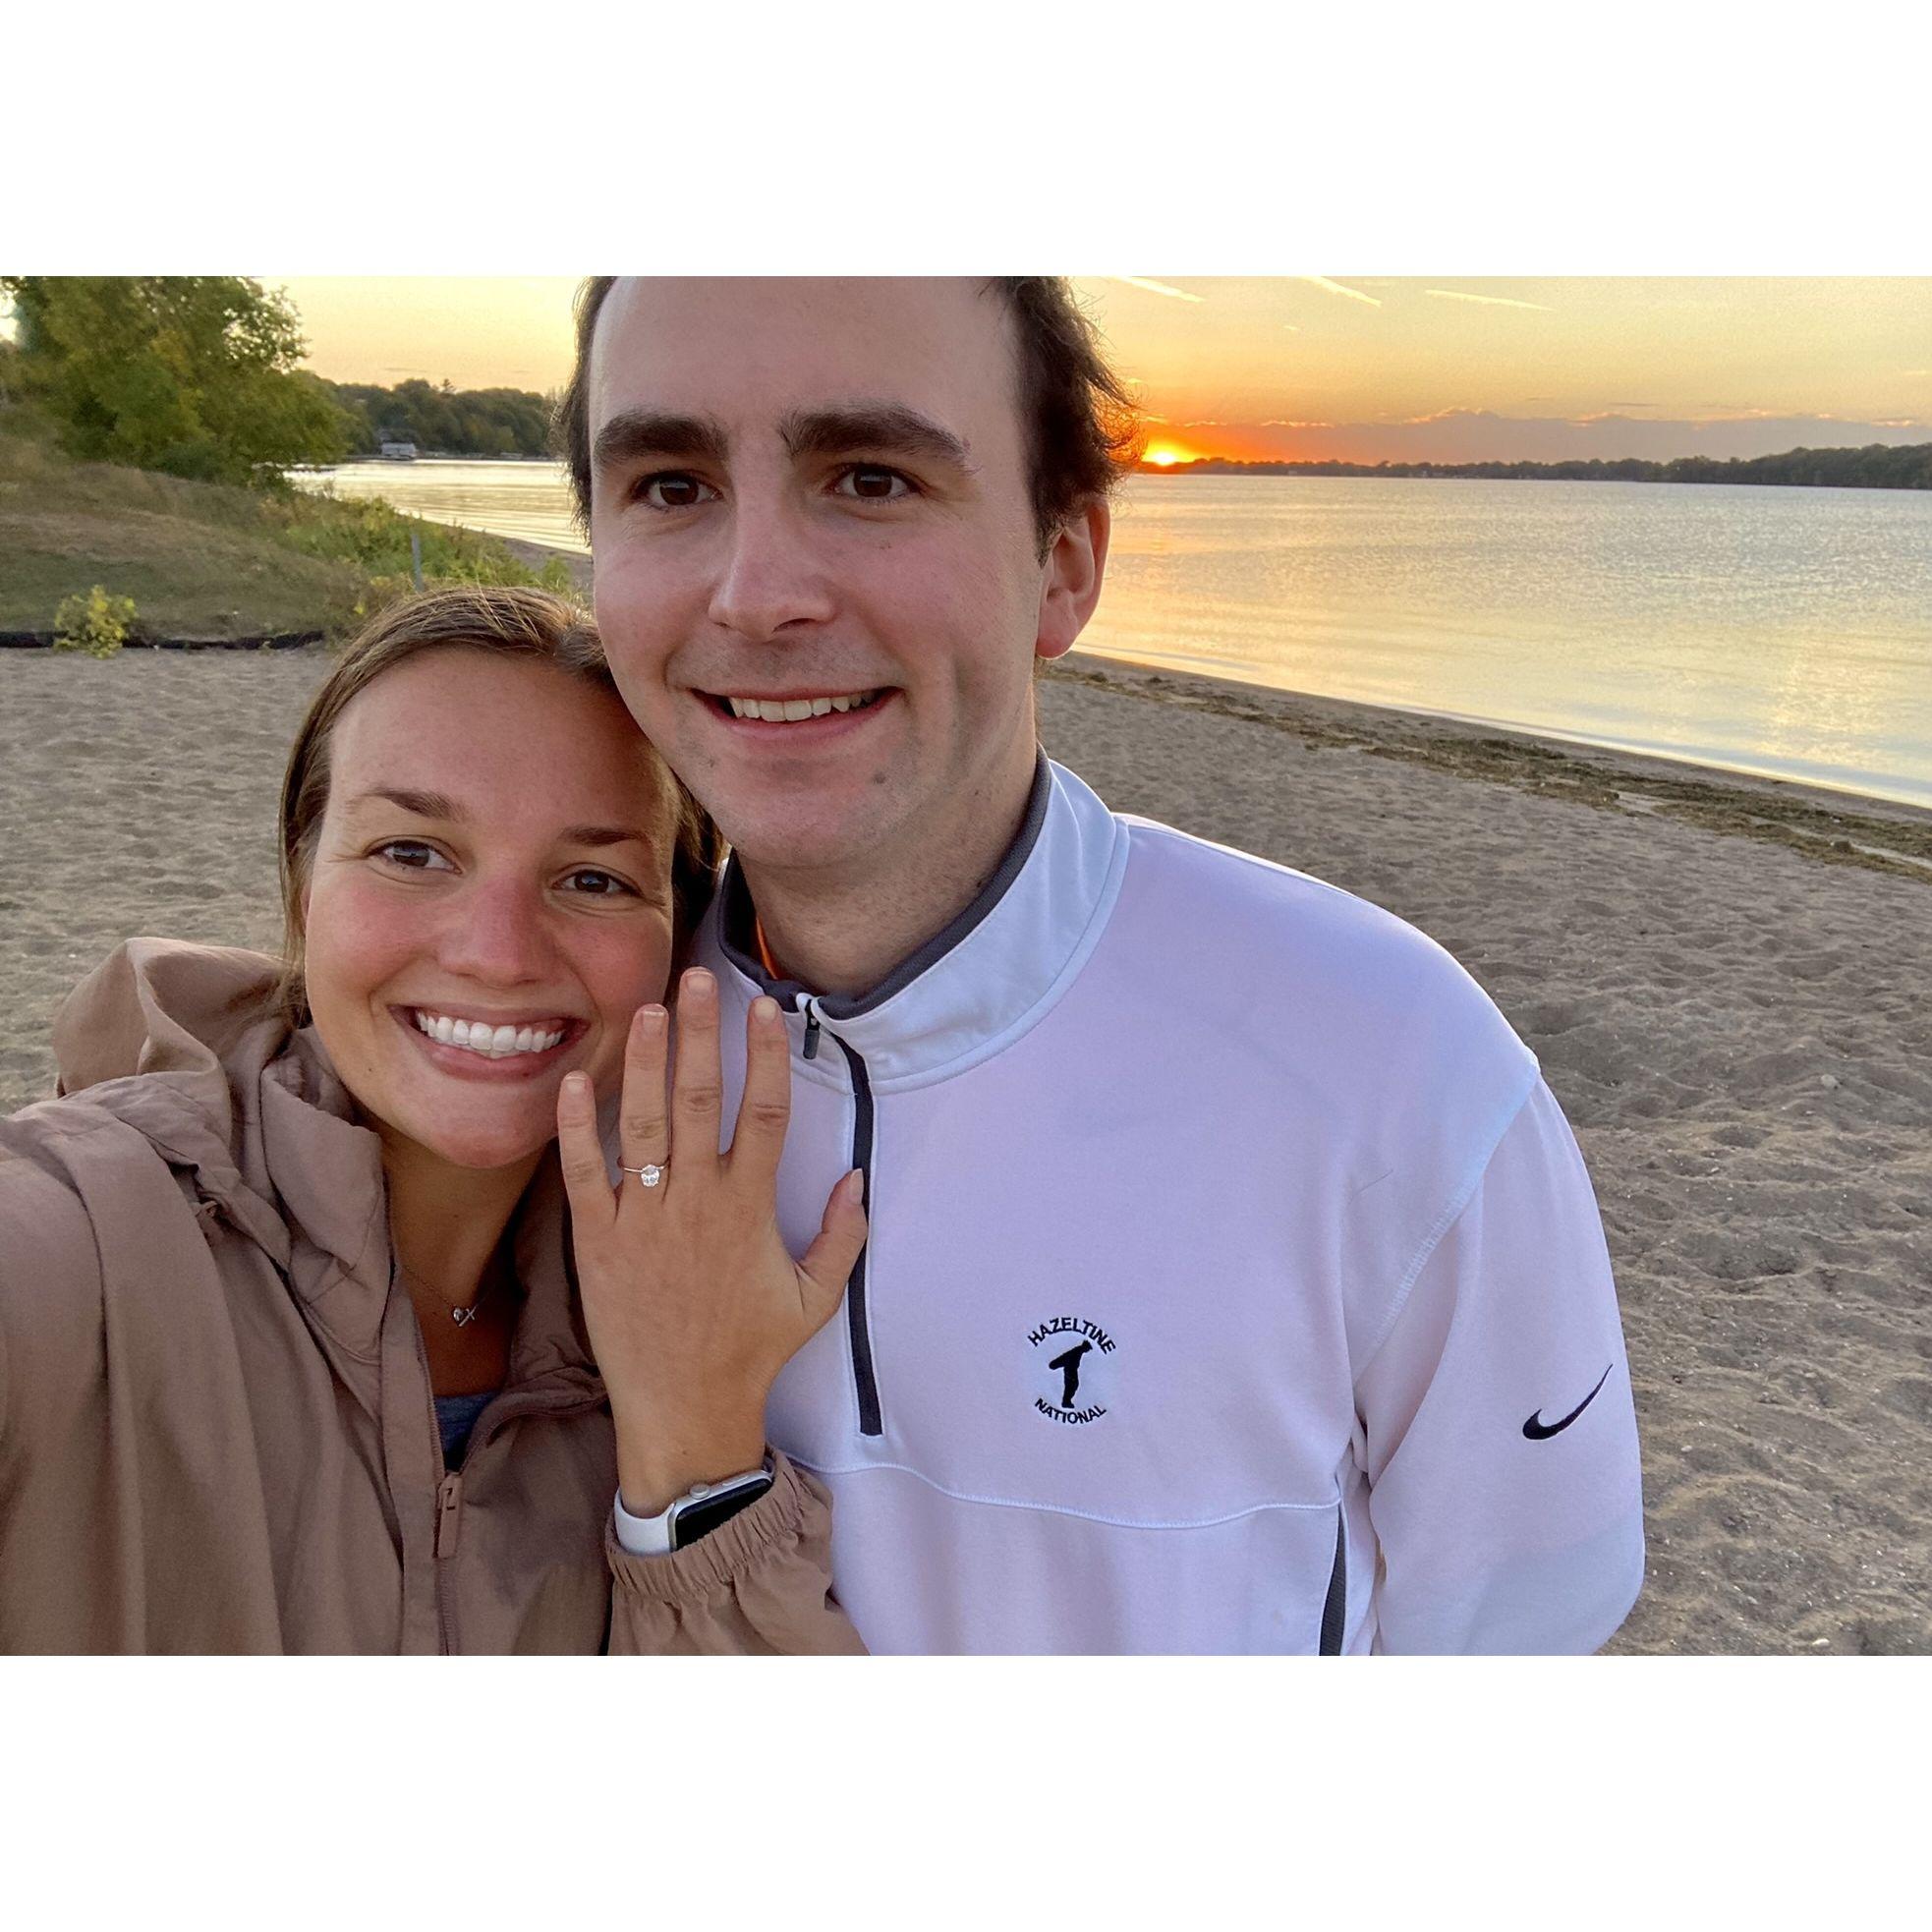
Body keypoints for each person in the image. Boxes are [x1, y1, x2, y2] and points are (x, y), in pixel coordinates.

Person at [559, 275, 1647, 1654]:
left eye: (872, 477)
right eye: (668, 484)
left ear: (1062, 564)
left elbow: (1522, 1627)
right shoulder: (570, 1051)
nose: (756, 590)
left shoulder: (1387, 1062)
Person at [0, 585, 867, 1654]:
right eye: (412, 852)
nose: (495, 952)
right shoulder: (81, 1238)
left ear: (677, 942)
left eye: (592, 878)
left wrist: (694, 1449)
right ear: (305, 887)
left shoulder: (677, 1306)